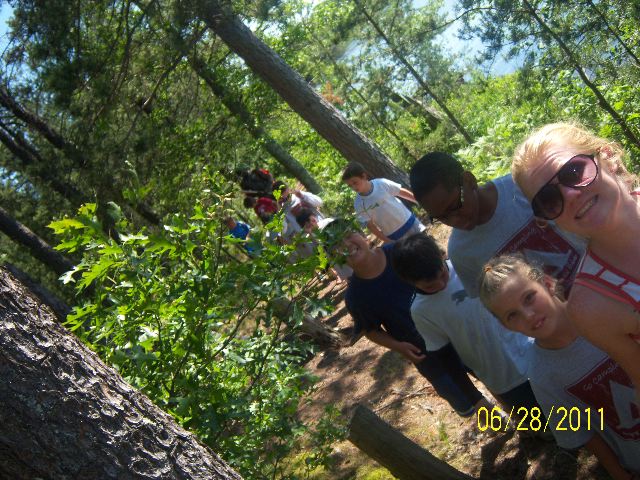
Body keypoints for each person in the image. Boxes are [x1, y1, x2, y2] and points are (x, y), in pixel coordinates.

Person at [479, 254, 640, 480]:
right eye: (512, 315)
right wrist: (617, 472)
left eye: (529, 298)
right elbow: (581, 432)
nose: (528, 315)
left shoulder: (602, 312)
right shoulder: (541, 377)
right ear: (505, 326)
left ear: (547, 283)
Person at [512, 122, 640, 401]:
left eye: (573, 171)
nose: (570, 195)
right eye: (548, 199)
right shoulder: (590, 305)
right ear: (545, 219)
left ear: (606, 157)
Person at [322, 219, 490, 417]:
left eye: (348, 235)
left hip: (453, 329)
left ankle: (515, 412)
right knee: (462, 397)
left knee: (489, 371)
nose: (346, 244)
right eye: (336, 245)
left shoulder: (398, 252)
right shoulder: (356, 297)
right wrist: (399, 346)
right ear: (335, 258)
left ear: (362, 234)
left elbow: (440, 265)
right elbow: (370, 330)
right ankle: (497, 422)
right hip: (423, 351)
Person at [391, 233, 537, 414]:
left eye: (442, 275)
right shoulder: (421, 311)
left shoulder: (465, 266)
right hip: (502, 378)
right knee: (537, 423)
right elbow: (446, 358)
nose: (441, 285)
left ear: (441, 256)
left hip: (532, 349)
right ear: (409, 282)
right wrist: (474, 398)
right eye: (430, 285)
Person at [409, 151, 585, 297]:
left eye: (455, 206)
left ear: (469, 181)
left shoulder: (521, 188)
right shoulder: (462, 252)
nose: (454, 220)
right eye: (441, 217)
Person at [342, 161, 425, 244]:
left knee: (427, 244)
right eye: (350, 185)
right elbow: (370, 226)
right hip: (394, 234)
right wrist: (388, 241)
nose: (353, 187)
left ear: (363, 176)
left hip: (409, 221)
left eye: (355, 182)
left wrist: (420, 202)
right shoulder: (358, 204)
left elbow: (400, 192)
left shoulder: (381, 183)